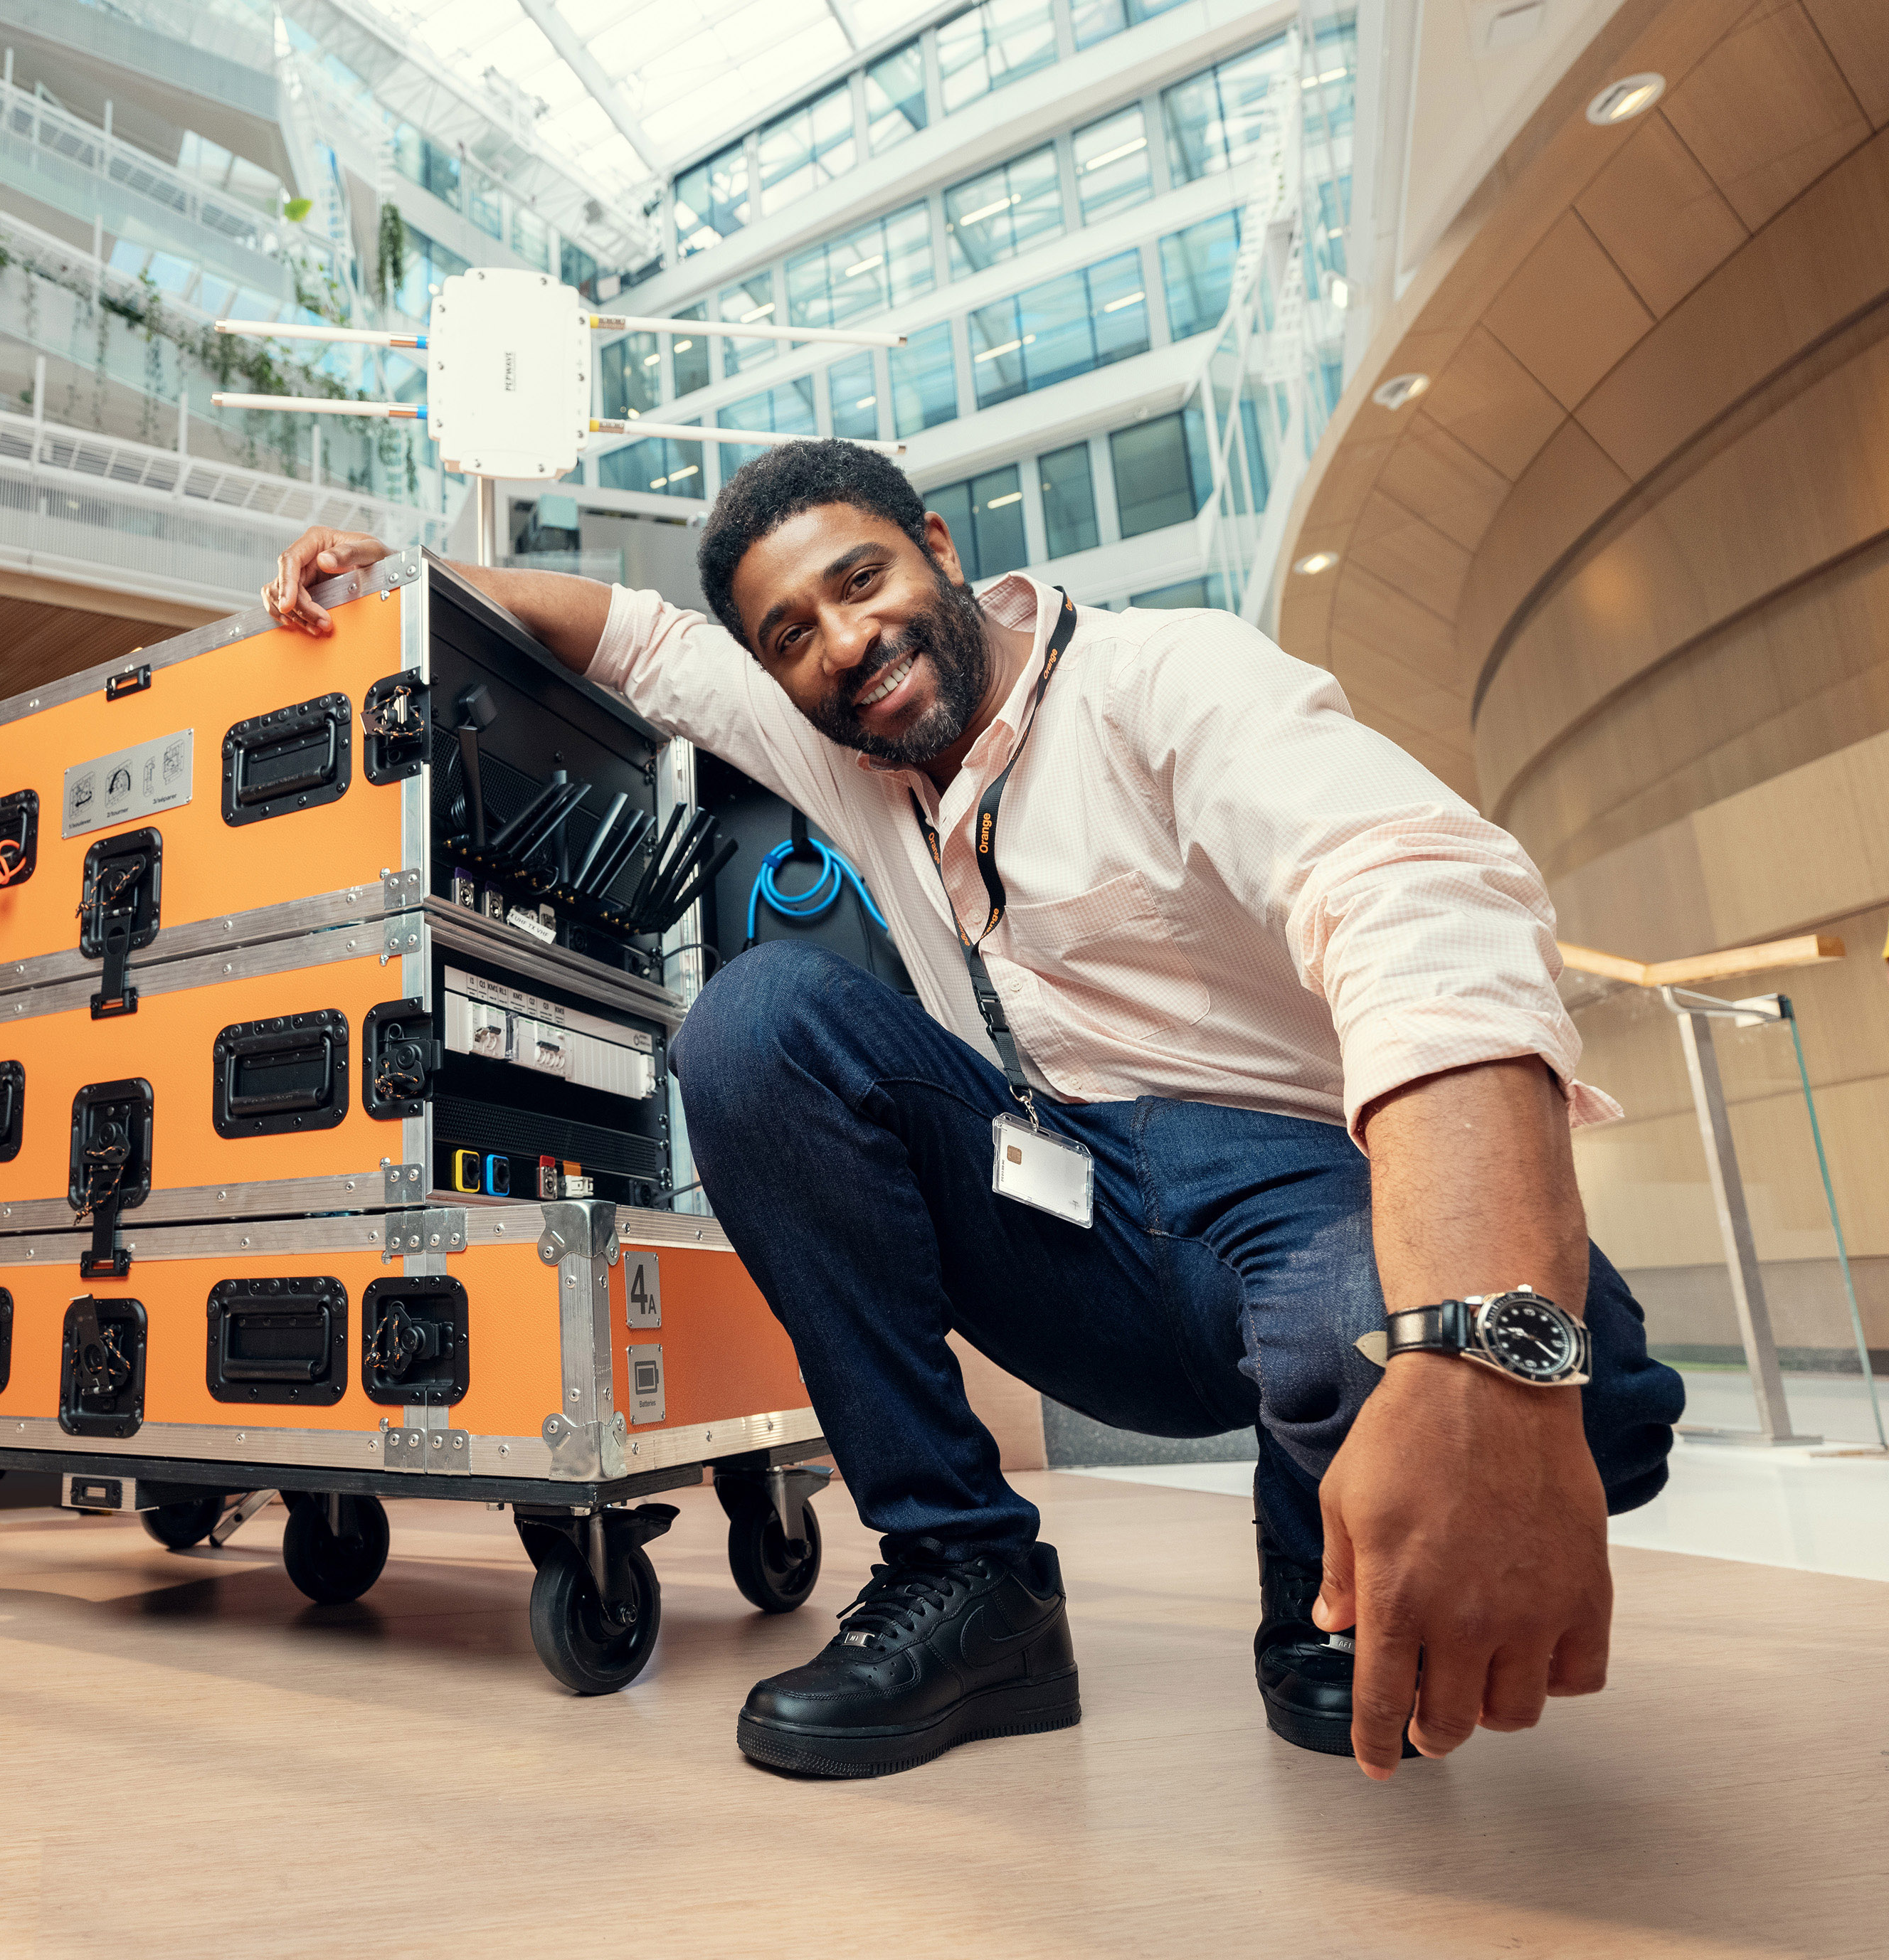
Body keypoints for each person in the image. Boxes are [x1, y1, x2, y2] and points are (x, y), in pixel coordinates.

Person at [261, 441, 1683, 1784]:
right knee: (751, 1026)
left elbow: (1410, 895)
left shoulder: (1163, 675)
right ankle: (966, 1575)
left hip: (1310, 1195)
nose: (840, 640)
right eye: (790, 633)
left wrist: (1476, 1368)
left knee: (1517, 1374)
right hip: (1077, 1218)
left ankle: (1313, 1551)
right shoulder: (851, 744)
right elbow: (632, 638)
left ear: (936, 549)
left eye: (860, 581)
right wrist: (408, 578)